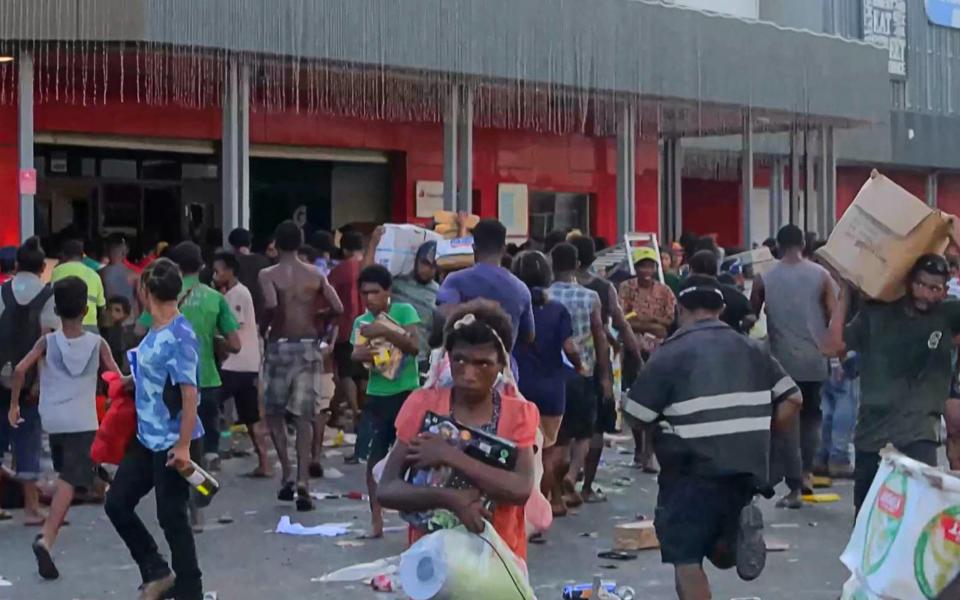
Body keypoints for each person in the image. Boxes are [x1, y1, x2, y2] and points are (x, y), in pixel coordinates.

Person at [624, 275, 802, 600]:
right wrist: (761, 432)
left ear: (680, 309)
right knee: (720, 536)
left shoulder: (670, 353)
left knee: (686, 558)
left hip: (691, 474)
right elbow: (793, 398)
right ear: (721, 308)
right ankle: (731, 542)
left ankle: (728, 542)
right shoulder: (751, 348)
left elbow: (635, 415)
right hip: (744, 472)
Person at [378, 303, 539, 561]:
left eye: (483, 363)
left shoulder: (518, 413)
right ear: (448, 358)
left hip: (497, 557)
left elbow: (520, 489)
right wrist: (449, 498)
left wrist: (449, 455)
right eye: (460, 360)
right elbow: (387, 489)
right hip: (432, 558)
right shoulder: (423, 404)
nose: (468, 374)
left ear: (502, 365)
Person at [822, 254, 960, 514]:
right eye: (920, 284)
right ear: (908, 282)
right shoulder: (876, 314)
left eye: (934, 288)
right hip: (872, 436)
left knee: (918, 518)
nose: (925, 294)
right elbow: (831, 347)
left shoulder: (947, 314)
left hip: (918, 436)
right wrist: (845, 295)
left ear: (944, 291)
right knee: (867, 519)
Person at [104, 258, 205, 600]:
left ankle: (190, 589)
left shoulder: (180, 335)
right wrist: (129, 382)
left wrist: (184, 446)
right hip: (145, 436)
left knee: (172, 517)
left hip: (172, 440)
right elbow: (155, 374)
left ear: (146, 292)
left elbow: (191, 395)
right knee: (117, 503)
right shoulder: (156, 330)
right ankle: (156, 570)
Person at [7, 276, 120, 580]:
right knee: (70, 480)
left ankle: (89, 482)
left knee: (66, 472)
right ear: (86, 310)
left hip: (52, 419)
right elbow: (117, 380)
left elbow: (19, 370)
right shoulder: (98, 343)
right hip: (82, 421)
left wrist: (14, 405)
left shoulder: (48, 341)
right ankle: (46, 538)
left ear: (56, 309)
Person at [259, 221, 343, 511]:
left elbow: (270, 304)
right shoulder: (315, 273)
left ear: (276, 244)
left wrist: (265, 327)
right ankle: (304, 480)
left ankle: (287, 473)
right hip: (308, 347)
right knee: (305, 417)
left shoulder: (268, 274)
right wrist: (317, 318)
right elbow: (338, 307)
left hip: (280, 346)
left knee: (274, 413)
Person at [751, 224, 836, 508]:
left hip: (780, 363)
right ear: (803, 245)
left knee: (788, 424)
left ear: (777, 245)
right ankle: (807, 474)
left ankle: (794, 486)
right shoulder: (821, 275)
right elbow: (834, 315)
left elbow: (752, 318)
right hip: (815, 360)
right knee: (812, 417)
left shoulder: (765, 277)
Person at [139, 242, 241, 474]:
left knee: (174, 453)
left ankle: (187, 494)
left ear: (174, 266)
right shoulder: (215, 298)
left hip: (170, 386)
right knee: (206, 449)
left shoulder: (161, 295)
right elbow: (236, 345)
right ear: (203, 265)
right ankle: (202, 487)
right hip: (207, 379)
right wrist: (212, 340)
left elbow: (140, 332)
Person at [350, 264, 421, 537]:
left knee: (414, 460)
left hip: (407, 395)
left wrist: (384, 333)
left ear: (388, 291)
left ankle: (416, 520)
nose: (370, 299)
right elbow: (356, 355)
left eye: (375, 292)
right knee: (374, 459)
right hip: (378, 396)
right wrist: (382, 353)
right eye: (365, 293)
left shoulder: (404, 312)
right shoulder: (360, 322)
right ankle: (375, 521)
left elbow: (414, 347)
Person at [568, 235, 639, 503]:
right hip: (597, 364)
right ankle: (586, 487)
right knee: (596, 426)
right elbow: (621, 324)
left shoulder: (554, 288)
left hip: (562, 367)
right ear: (593, 258)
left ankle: (561, 484)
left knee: (565, 430)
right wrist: (636, 357)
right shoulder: (603, 288)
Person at [512, 250, 582, 516]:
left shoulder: (513, 306)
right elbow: (569, 346)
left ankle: (529, 507)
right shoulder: (557, 310)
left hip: (518, 386)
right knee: (549, 450)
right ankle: (544, 505)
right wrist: (580, 367)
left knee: (524, 449)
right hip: (552, 388)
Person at [548, 243, 611, 510]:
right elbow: (600, 337)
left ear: (552, 265)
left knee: (558, 438)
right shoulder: (590, 297)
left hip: (552, 373)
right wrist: (606, 376)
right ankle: (573, 475)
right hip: (583, 371)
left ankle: (555, 493)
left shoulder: (543, 296)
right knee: (584, 431)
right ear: (576, 265)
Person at [0, 238, 57, 525]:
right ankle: (33, 507)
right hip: (32, 379)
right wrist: (40, 383)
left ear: (17, 264)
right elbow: (48, 343)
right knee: (29, 438)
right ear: (42, 267)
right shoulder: (48, 296)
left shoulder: (1, 292)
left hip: (0, 376)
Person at [437, 219, 535, 372]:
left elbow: (443, 315)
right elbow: (529, 336)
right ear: (504, 249)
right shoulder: (521, 289)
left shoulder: (455, 280)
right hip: (504, 372)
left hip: (462, 371)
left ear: (474, 248)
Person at [212, 251, 272, 479]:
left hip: (235, 364)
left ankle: (209, 456)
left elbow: (232, 333)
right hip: (248, 364)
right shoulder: (237, 293)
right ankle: (265, 463)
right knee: (251, 417)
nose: (215, 275)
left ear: (229, 271)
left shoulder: (235, 296)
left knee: (206, 406)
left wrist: (215, 340)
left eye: (218, 270)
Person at [619, 246, 676, 472]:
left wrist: (642, 321)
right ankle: (638, 448)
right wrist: (651, 322)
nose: (646, 270)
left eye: (650, 265)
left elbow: (668, 321)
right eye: (642, 265)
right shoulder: (626, 288)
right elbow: (623, 319)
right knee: (634, 399)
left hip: (657, 352)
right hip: (633, 351)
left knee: (655, 400)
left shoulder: (665, 291)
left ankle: (649, 452)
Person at [366, 228, 439, 373]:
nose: (428, 269)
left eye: (433, 266)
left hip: (420, 361)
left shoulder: (439, 292)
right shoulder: (397, 283)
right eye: (425, 263)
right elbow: (368, 278)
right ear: (416, 260)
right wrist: (373, 243)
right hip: (388, 358)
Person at [329, 230, 367, 440]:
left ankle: (355, 411)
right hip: (371, 327)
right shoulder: (371, 266)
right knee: (365, 372)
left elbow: (328, 299)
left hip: (346, 327)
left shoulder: (339, 271)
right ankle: (363, 408)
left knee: (346, 372)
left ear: (344, 250)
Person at [688, 250, 751, 334]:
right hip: (732, 341)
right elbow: (751, 316)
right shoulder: (733, 294)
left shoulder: (689, 296)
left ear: (692, 271)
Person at [51, 238, 106, 332]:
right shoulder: (94, 275)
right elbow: (101, 307)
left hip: (64, 325)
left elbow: (52, 298)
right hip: (90, 324)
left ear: (63, 255)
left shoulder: (57, 271)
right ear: (82, 257)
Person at [227, 228, 272, 328]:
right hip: (259, 317)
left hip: (236, 316)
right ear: (250, 244)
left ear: (232, 246)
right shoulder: (264, 261)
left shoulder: (230, 263)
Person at [99, 234, 139, 323]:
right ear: (125, 253)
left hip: (109, 318)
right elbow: (138, 301)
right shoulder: (134, 275)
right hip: (129, 319)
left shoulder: (101, 274)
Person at [102, 295, 137, 373]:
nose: (112, 313)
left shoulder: (129, 332)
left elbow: (147, 322)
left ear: (126, 315)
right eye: (109, 309)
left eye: (117, 310)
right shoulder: (99, 333)